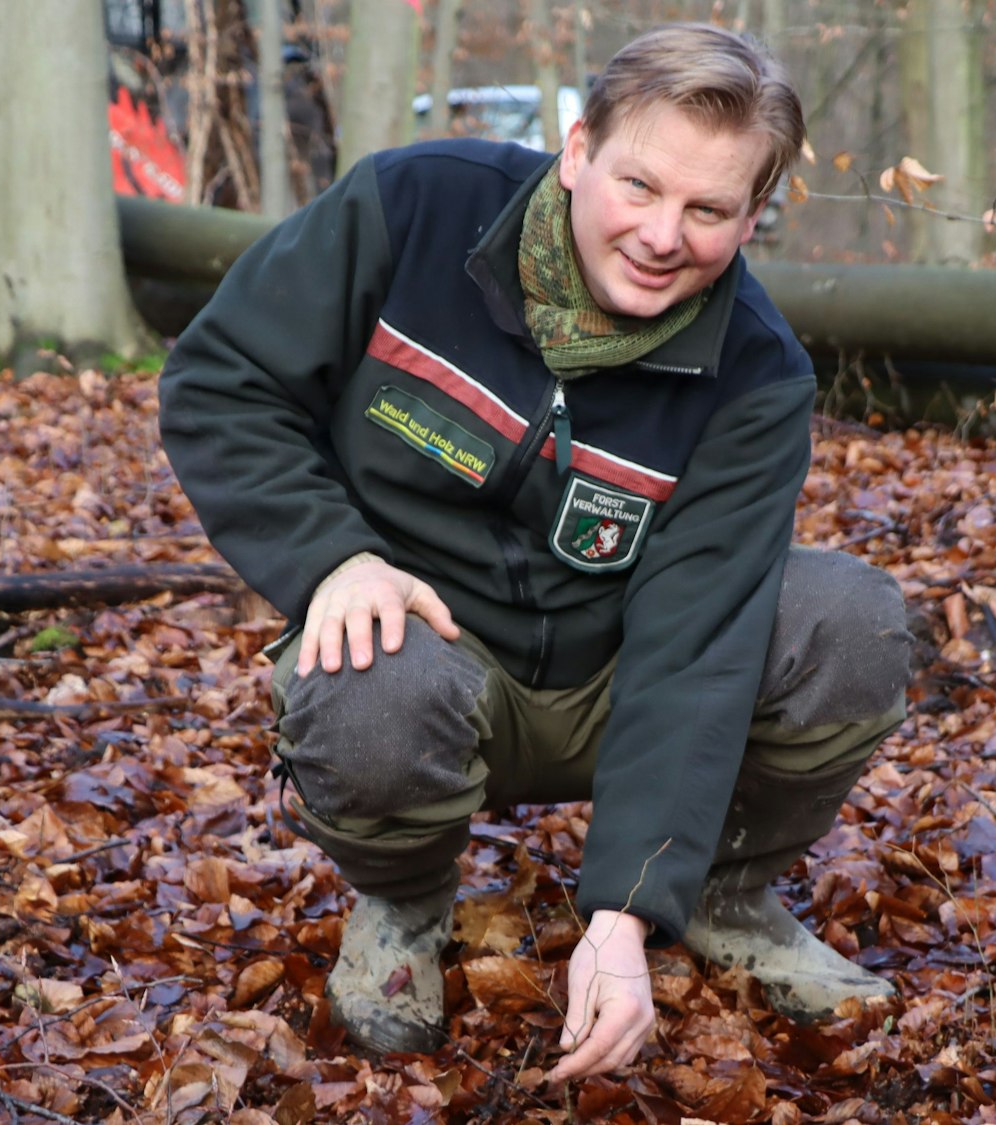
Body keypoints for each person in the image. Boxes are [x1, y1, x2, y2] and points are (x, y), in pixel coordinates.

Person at [158, 23, 913, 1080]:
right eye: (638, 187)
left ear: (750, 219)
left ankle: (718, 893)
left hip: (616, 677)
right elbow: (221, 380)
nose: (662, 235)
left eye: (707, 211)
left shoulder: (758, 377)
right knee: (363, 679)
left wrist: (621, 915)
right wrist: (333, 558)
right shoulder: (411, 209)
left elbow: (696, 645)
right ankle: (405, 907)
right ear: (575, 150)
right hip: (432, 655)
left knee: (848, 619)